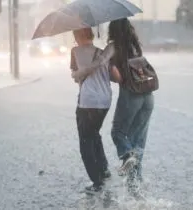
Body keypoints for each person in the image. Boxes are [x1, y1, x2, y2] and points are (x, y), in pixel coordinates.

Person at [72, 18, 154, 196]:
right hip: (148, 97)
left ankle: (125, 157)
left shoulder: (114, 46)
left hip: (132, 95)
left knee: (118, 132)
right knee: (137, 142)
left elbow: (99, 63)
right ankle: (135, 187)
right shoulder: (135, 45)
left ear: (113, 30)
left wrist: (81, 72)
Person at [70, 28, 122, 195]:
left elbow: (75, 77)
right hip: (105, 101)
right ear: (91, 35)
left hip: (88, 102)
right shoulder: (102, 52)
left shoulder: (75, 52)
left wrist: (80, 74)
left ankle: (96, 181)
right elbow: (115, 75)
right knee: (94, 133)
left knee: (85, 141)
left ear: (77, 36)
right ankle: (104, 169)